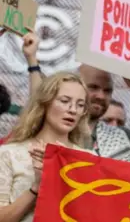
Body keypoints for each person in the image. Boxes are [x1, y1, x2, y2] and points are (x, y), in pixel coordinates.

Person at [21, 30, 130, 163]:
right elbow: (38, 99)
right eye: (93, 88)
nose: (100, 95)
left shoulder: (119, 139)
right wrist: (32, 60)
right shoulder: (56, 128)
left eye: (107, 91)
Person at [0, 72, 93, 222]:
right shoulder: (8, 153)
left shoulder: (88, 158)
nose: (73, 110)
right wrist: (36, 187)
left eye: (80, 105)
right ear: (45, 103)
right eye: (64, 101)